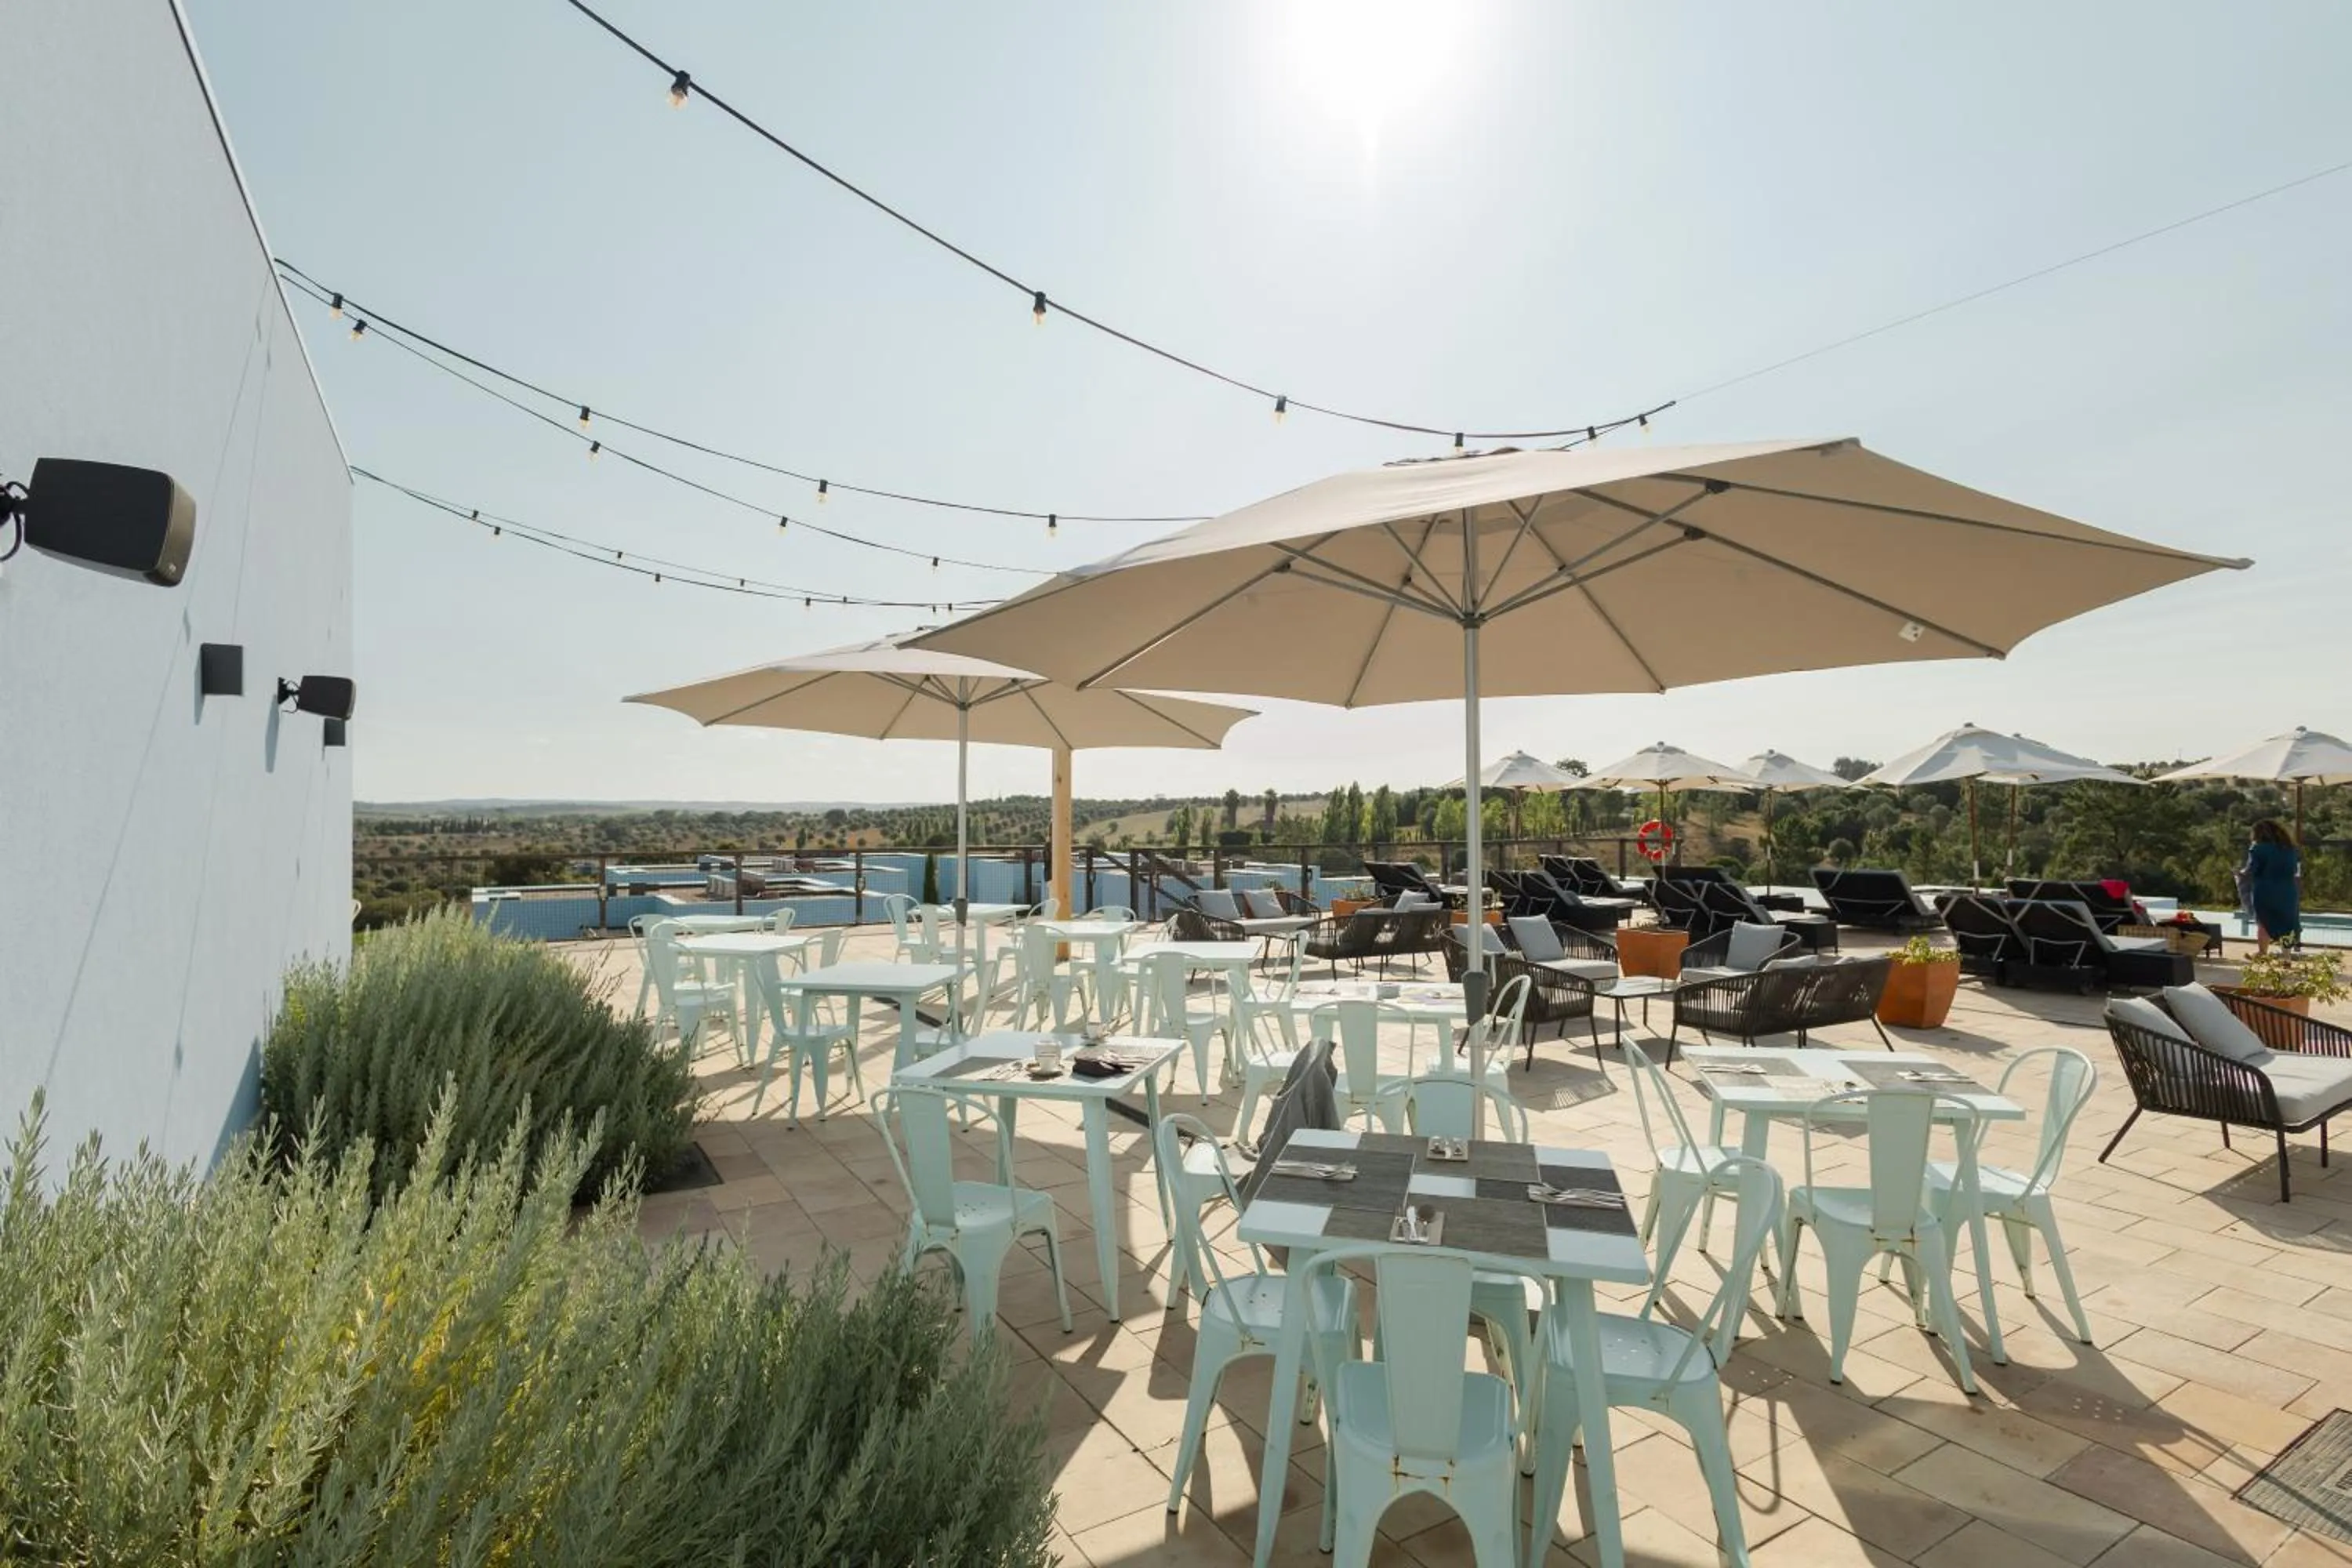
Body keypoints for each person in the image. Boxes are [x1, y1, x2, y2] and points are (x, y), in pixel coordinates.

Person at [2241, 819, 2302, 955]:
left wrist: (2240, 874)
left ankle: (2262, 952)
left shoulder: (2257, 849)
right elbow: (2294, 870)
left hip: (2265, 890)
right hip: (2288, 891)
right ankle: (2286, 956)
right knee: (2287, 923)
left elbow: (2251, 870)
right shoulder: (2290, 849)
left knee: (2264, 921)